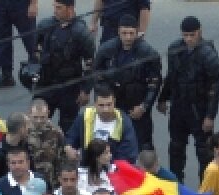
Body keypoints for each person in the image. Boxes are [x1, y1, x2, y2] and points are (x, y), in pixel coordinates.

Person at [156, 16, 219, 183]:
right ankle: (176, 186)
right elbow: (170, 77)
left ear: (200, 32)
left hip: (199, 109)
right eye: (185, 35)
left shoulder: (208, 54)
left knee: (204, 151)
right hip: (178, 106)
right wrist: (163, 98)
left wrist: (210, 116)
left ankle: (204, 189)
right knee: (176, 148)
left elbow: (215, 87)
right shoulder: (175, 49)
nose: (189, 39)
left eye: (192, 35)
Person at [92, 17, 161, 152]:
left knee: (143, 147)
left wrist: (144, 106)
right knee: (108, 145)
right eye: (124, 33)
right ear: (119, 32)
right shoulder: (106, 50)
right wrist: (106, 102)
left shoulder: (148, 53)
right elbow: (96, 76)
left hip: (137, 107)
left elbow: (155, 83)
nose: (128, 37)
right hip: (113, 106)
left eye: (131, 33)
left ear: (137, 32)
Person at [33, 0, 95, 133]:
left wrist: (86, 90)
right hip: (46, 83)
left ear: (70, 9)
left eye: (59, 8)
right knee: (37, 124)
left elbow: (90, 64)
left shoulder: (81, 32)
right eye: (54, 7)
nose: (55, 10)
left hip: (69, 87)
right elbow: (35, 49)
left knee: (68, 128)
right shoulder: (45, 25)